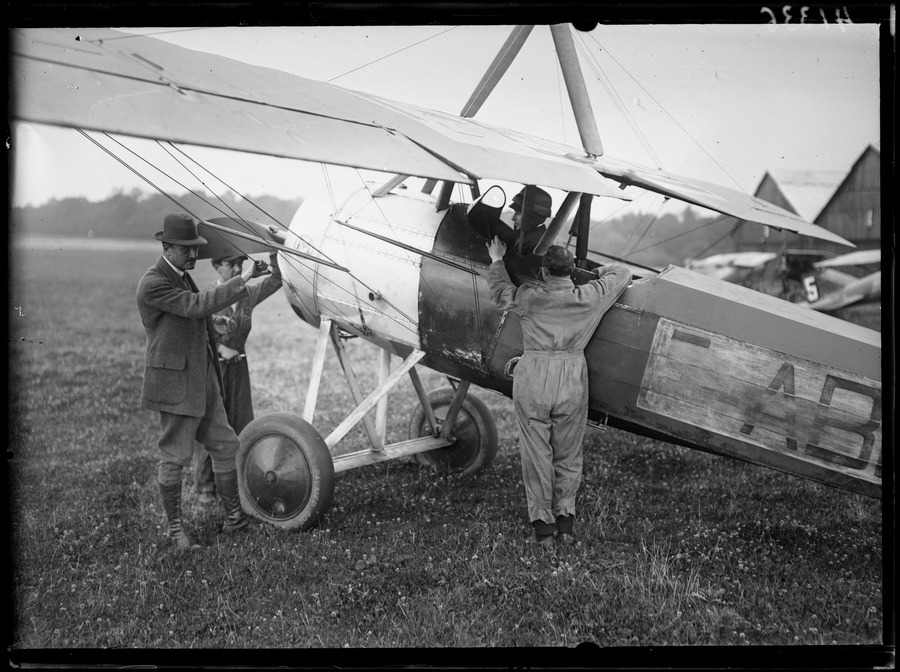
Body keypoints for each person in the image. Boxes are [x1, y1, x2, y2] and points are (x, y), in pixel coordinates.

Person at [486, 236, 632, 549]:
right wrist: (596, 269)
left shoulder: (529, 297)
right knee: (568, 453)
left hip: (534, 377)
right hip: (572, 378)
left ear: (544, 274)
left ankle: (543, 531)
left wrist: (498, 260)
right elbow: (622, 274)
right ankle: (565, 524)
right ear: (571, 271)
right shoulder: (591, 296)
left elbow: (500, 292)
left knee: (536, 452)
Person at [136, 213, 269, 549]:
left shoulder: (181, 276)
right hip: (176, 383)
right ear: (167, 247)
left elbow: (193, 316)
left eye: (195, 248)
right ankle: (177, 533)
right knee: (175, 456)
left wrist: (215, 327)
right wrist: (244, 279)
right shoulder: (153, 282)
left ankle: (234, 520)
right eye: (186, 249)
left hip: (203, 377)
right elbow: (194, 307)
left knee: (226, 445)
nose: (194, 255)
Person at [192, 243, 283, 504]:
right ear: (217, 266)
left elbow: (276, 280)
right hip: (213, 369)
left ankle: (240, 482)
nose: (237, 267)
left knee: (242, 424)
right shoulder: (207, 296)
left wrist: (273, 249)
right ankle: (205, 486)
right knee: (212, 425)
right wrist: (220, 348)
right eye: (231, 263)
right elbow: (194, 331)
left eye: (240, 263)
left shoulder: (246, 294)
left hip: (239, 370)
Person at [491, 187, 553, 255]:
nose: (513, 218)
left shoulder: (540, 246)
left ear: (533, 217)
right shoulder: (525, 237)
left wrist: (497, 259)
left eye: (519, 213)